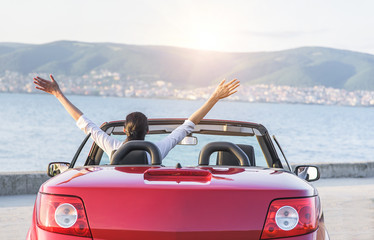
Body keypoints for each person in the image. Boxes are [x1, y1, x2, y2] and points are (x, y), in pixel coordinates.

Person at [33, 75, 239, 164]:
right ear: (147, 132)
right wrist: (214, 97)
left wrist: (58, 94)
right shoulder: (158, 150)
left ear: (124, 130)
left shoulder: (111, 145)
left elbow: (84, 122)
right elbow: (188, 125)